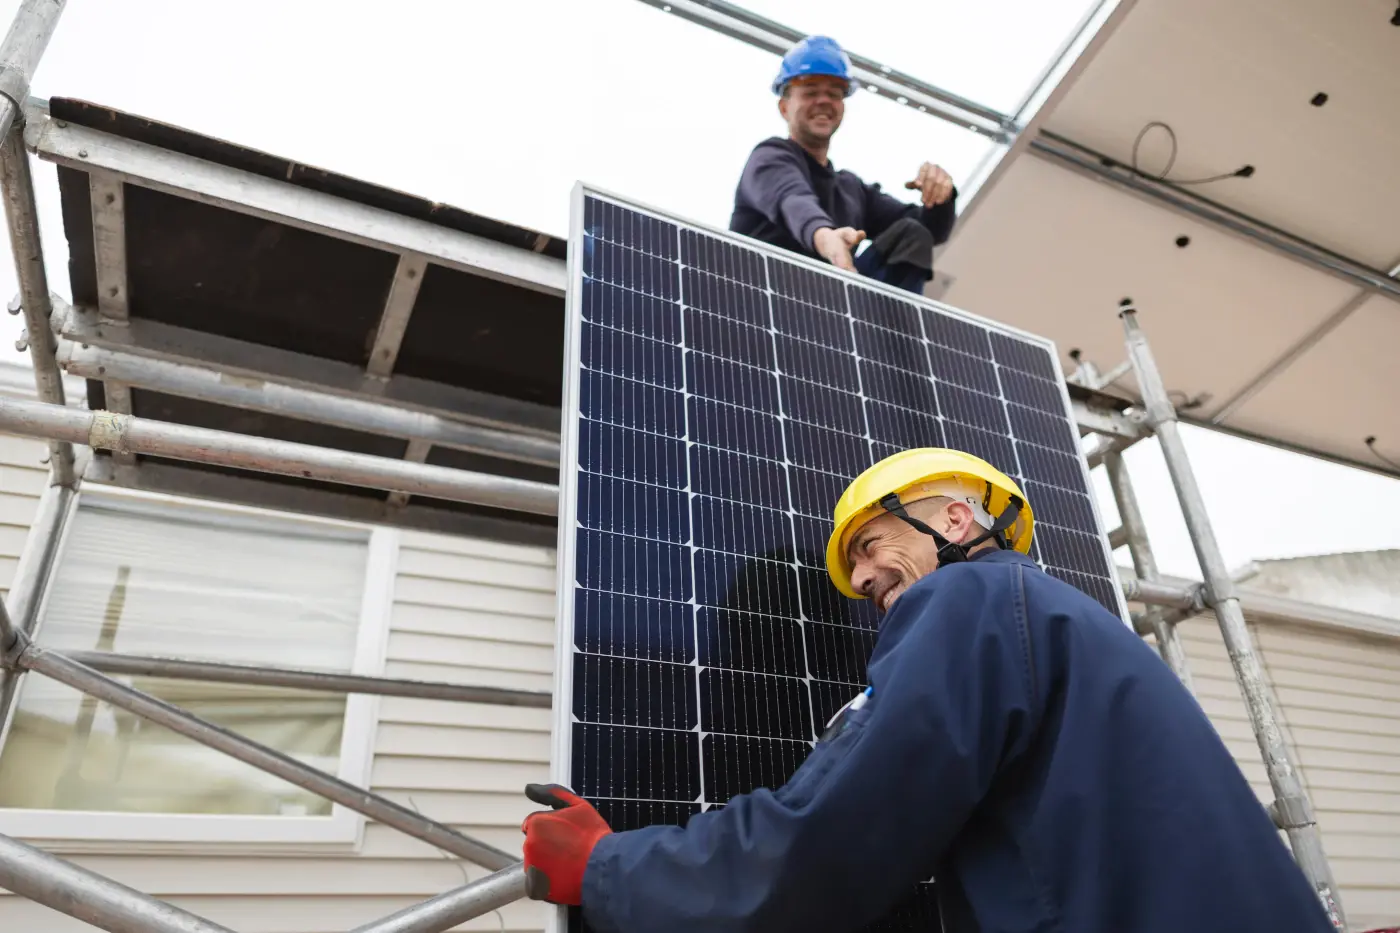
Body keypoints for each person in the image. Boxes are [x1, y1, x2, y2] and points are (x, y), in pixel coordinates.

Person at [520, 447, 1339, 933]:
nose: (865, 577)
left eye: (873, 543)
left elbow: (831, 838)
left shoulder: (968, 601)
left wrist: (607, 866)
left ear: (954, 521)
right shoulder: (1071, 624)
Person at [728, 35, 958, 295]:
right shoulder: (770, 158)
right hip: (770, 304)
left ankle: (885, 333)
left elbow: (929, 233)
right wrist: (825, 236)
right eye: (811, 91)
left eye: (833, 93)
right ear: (784, 107)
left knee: (912, 233)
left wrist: (941, 198)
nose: (823, 100)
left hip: (839, 307)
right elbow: (793, 200)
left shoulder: (851, 189)